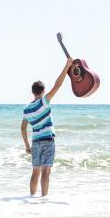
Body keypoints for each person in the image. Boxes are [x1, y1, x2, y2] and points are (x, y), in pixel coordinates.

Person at [21, 58, 74, 196]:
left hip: (35, 142)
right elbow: (58, 85)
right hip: (48, 141)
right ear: (43, 91)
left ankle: (32, 198)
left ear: (33, 92)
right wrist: (67, 66)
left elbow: (22, 127)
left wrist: (27, 145)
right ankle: (44, 200)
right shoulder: (44, 102)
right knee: (46, 171)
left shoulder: (26, 109)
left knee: (35, 171)